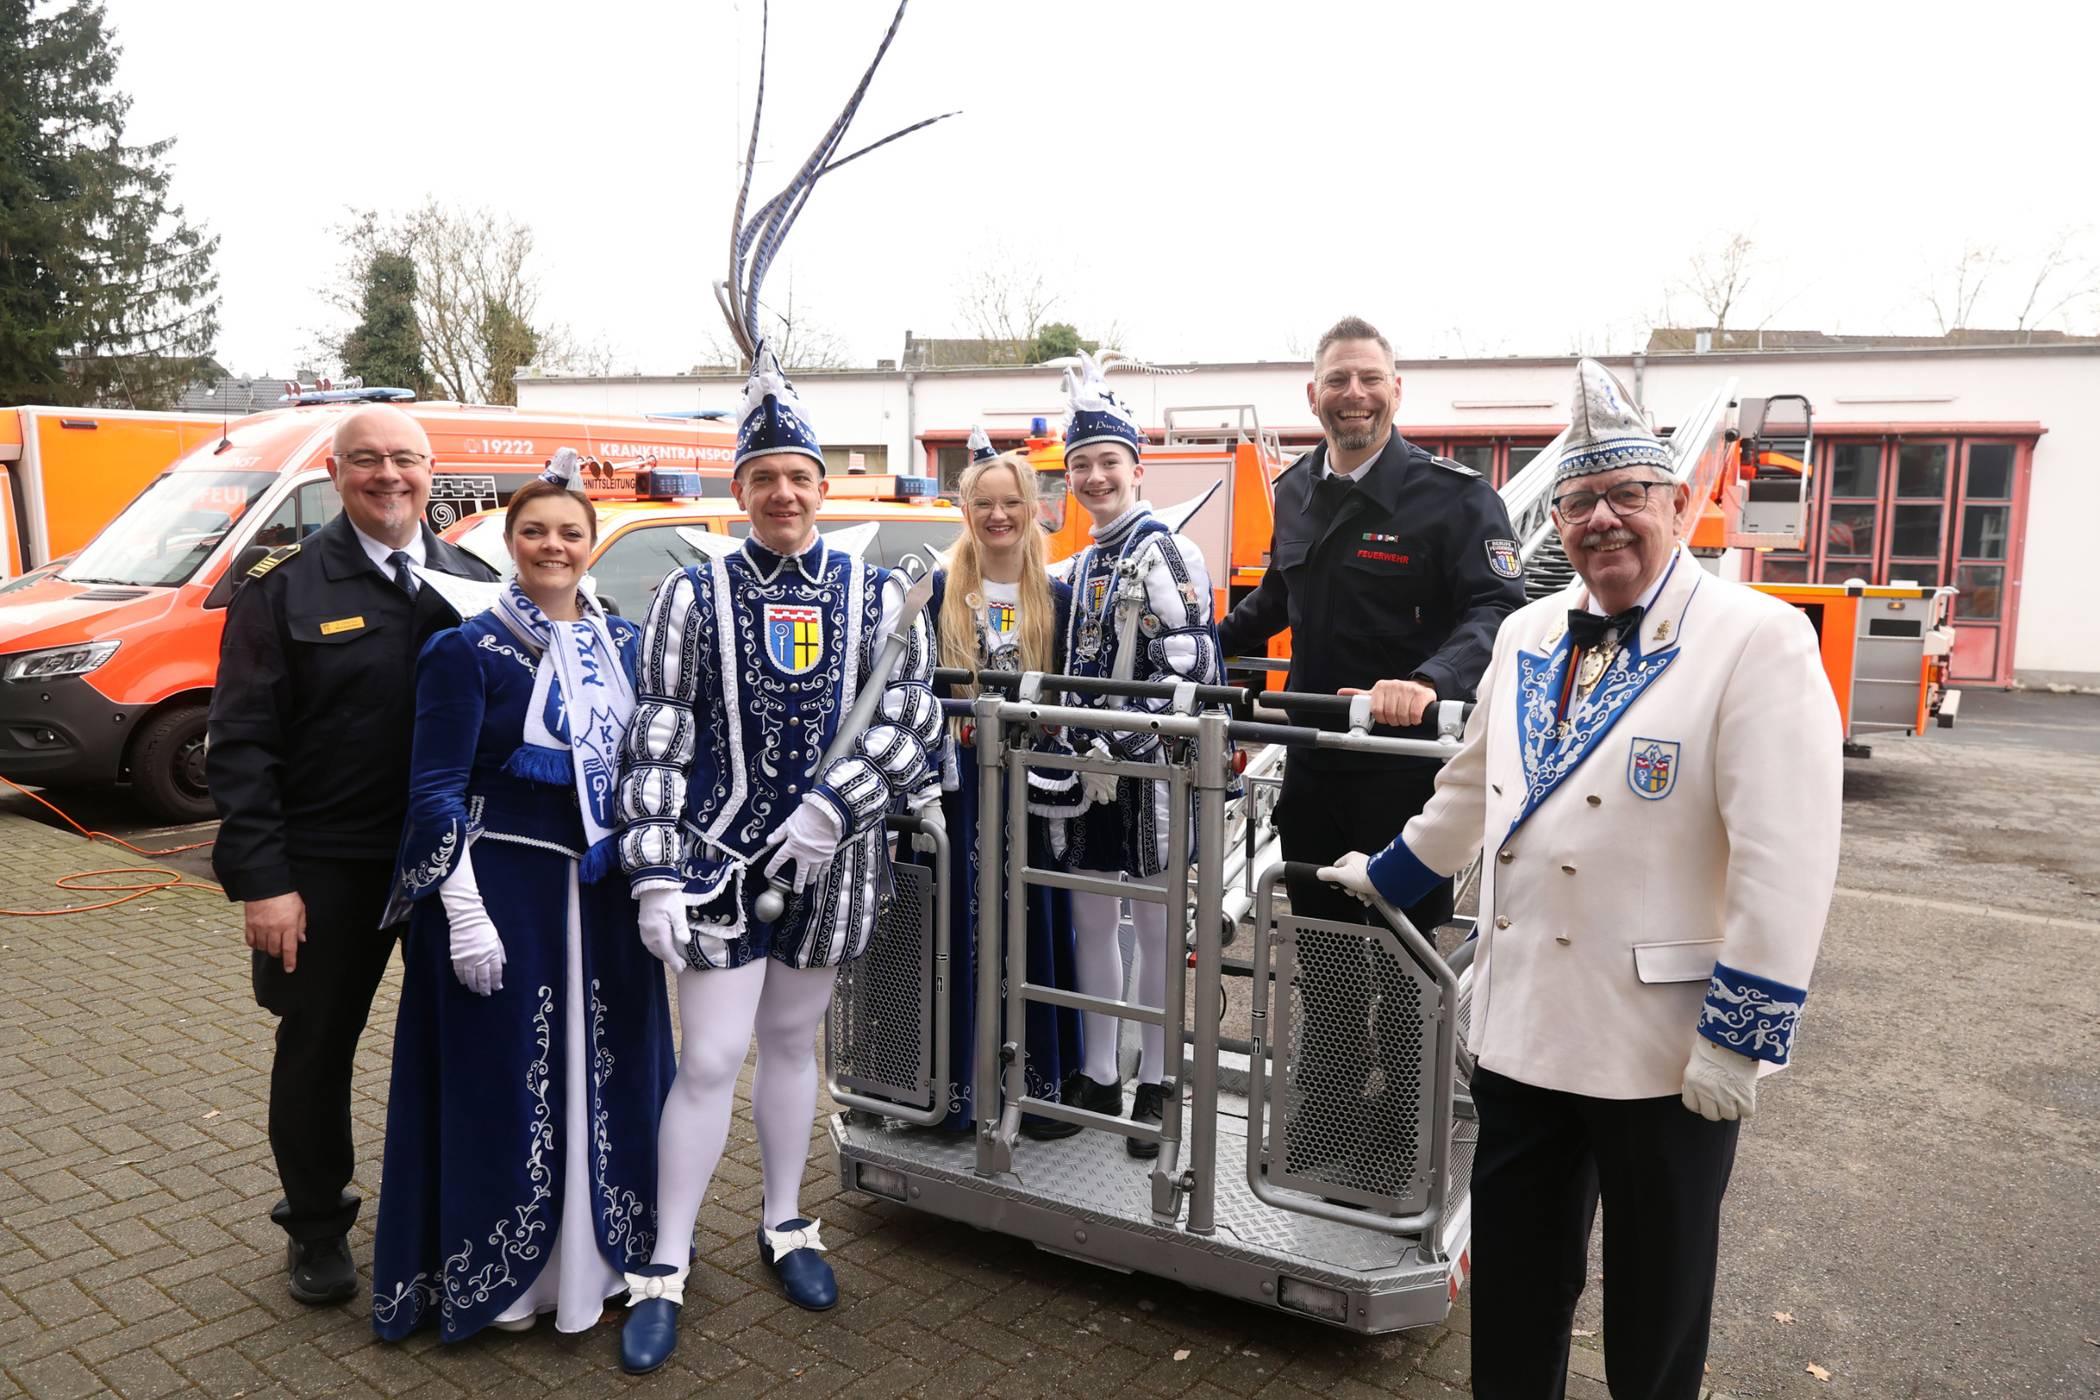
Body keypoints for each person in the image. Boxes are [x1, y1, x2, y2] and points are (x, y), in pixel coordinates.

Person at [1320, 359, 1843, 1398]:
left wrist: (1740, 1036)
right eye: (1579, 501)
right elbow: (1472, 790)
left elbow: (1786, 859)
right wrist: (1385, 875)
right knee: (1516, 1289)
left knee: (1655, 1306)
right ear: (1555, 520)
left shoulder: (1757, 639)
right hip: (1526, 1030)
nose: (1602, 519)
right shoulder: (1525, 630)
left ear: (1678, 503)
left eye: (1626, 494)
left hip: (1666, 1048)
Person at [613, 345, 939, 1375]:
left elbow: (911, 721)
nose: (784, 493)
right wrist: (654, 869)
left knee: (796, 1046)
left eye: (799, 476)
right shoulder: (692, 592)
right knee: (710, 1058)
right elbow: (659, 732)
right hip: (717, 866)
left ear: (822, 486)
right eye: (764, 479)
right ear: (741, 490)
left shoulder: (879, 594)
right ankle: (666, 1260)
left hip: (830, 868)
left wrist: (834, 809)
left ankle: (787, 1221)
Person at [369, 458, 675, 1342]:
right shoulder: (464, 648)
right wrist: (464, 913)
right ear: (510, 542)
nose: (553, 546)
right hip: (504, 897)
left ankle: (601, 1265)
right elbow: (434, 790)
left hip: (606, 900)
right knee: (506, 1086)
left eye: (570, 533)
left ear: (591, 546)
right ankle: (506, 1285)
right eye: (535, 531)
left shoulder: (623, 644)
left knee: (614, 1077)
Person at [1218, 315, 1524, 1184]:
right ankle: (1323, 1122)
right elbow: (1276, 599)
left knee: (1403, 962)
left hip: (1407, 779)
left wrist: (1428, 680)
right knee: (1322, 957)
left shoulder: (1455, 498)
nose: (1354, 394)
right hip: (1315, 768)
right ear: (1312, 395)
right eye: (1338, 380)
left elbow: (1496, 609)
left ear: (1396, 390)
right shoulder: (1296, 490)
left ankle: (1398, 1146)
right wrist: (1197, 648)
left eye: (1369, 378)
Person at [207, 405, 499, 1305]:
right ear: (335, 475)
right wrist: (266, 883)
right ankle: (316, 1226)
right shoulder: (282, 589)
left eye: (405, 458)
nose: (387, 475)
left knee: (466, 1039)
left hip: (452, 866)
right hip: (329, 867)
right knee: (317, 1045)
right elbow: (241, 746)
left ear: (430, 471)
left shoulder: (473, 582)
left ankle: (458, 1212)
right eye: (365, 460)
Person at [1056, 352, 1221, 1158]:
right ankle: (1098, 1071)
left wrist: (1110, 742)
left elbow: (1187, 667)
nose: (1095, 477)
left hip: (1151, 774)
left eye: (1107, 462)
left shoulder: (1169, 550)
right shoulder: (1082, 560)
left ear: (1136, 468)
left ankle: (1156, 1078)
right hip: (1087, 775)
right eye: (1080, 465)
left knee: (1155, 929)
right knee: (1091, 919)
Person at [917, 431, 1086, 1134]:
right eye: (983, 504)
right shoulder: (937, 592)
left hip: (1034, 798)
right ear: (965, 510)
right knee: (956, 928)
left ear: (1033, 507)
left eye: (1010, 502)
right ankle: (954, 1091)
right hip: (961, 797)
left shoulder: (1059, 598)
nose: (997, 516)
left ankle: (1037, 1087)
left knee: (1034, 925)